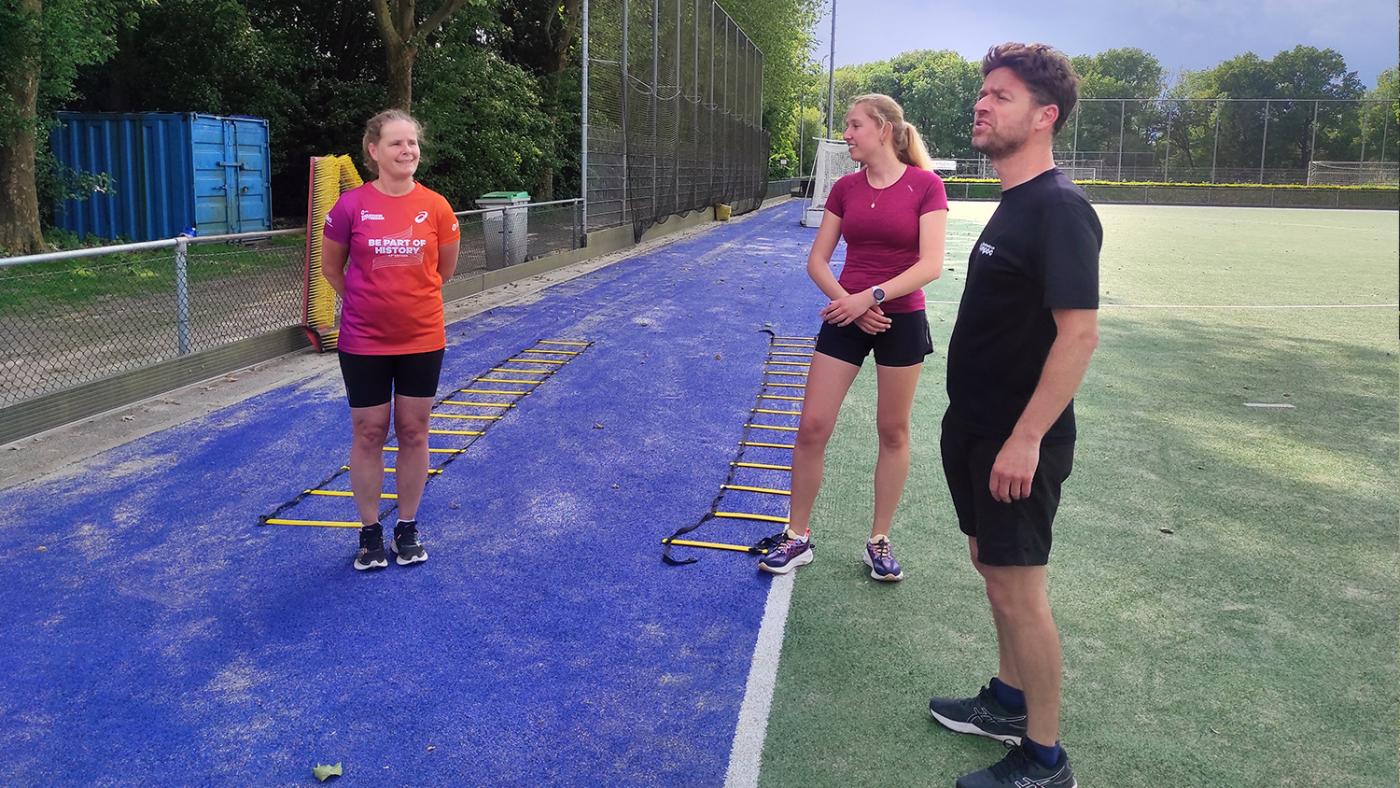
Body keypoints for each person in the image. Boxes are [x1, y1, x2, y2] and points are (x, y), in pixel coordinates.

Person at [926, 44, 1101, 788]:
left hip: (1015, 438)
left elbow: (1079, 332)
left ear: (1044, 115)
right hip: (973, 426)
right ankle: (1005, 700)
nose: (982, 104)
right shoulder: (1015, 202)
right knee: (989, 568)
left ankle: (1045, 757)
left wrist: (1026, 438)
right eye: (982, 94)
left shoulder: (1060, 207)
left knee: (1017, 587)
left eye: (1000, 95)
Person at [758, 94, 948, 581]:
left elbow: (930, 265)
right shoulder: (844, 188)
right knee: (812, 426)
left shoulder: (926, 186)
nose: (847, 134)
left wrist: (872, 297)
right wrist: (853, 303)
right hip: (848, 317)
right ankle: (797, 537)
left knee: (893, 430)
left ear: (884, 128)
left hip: (899, 320)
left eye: (854, 125)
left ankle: (879, 541)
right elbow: (816, 262)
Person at [321, 109, 461, 571]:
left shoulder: (437, 206)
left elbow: (444, 271)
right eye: (397, 144)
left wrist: (409, 305)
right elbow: (330, 269)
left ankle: (407, 526)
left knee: (415, 431)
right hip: (363, 342)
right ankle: (369, 533)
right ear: (374, 151)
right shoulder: (349, 207)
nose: (408, 151)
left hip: (422, 337)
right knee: (369, 432)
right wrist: (363, 304)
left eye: (412, 144)